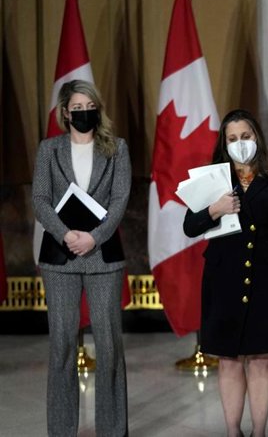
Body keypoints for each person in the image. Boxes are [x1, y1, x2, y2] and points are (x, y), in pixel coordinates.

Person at [183, 109, 268, 437]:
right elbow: (189, 226)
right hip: (224, 280)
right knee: (229, 359)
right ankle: (233, 431)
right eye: (233, 139)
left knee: (262, 358)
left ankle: (259, 432)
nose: (240, 144)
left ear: (257, 138)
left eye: (246, 137)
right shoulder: (212, 180)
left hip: (267, 280)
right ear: (224, 144)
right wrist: (214, 209)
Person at [32, 79, 131, 436]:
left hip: (103, 256)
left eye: (88, 106)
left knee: (108, 345)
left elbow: (120, 200)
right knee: (61, 344)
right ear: (65, 113)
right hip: (60, 258)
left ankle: (112, 430)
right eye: (76, 108)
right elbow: (40, 199)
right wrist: (65, 235)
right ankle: (61, 430)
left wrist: (94, 237)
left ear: (97, 109)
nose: (83, 113)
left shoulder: (116, 148)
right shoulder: (49, 149)